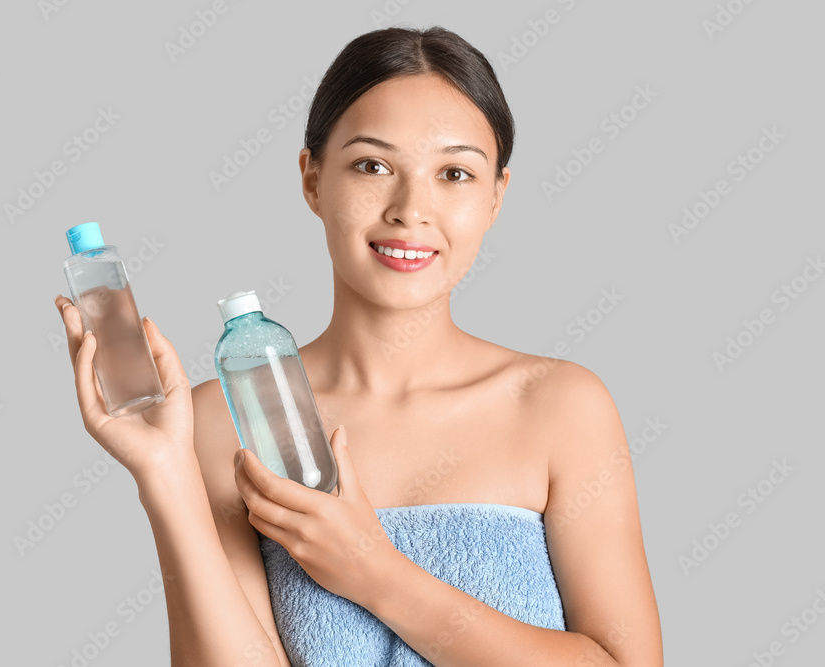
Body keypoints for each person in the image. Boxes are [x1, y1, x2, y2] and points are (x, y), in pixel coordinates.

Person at [54, 25, 663, 667]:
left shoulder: (560, 407)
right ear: (313, 179)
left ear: (495, 197)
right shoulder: (225, 416)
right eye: (373, 166)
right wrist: (163, 473)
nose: (410, 210)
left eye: (454, 173)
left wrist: (375, 572)